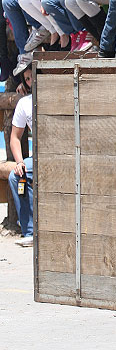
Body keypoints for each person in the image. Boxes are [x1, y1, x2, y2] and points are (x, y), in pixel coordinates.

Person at [8, 62, 33, 247]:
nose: (32, 81)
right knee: (16, 177)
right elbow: (15, 138)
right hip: (39, 157)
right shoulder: (25, 103)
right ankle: (29, 231)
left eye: (33, 76)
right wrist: (19, 162)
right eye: (27, 79)